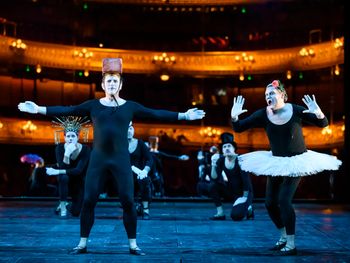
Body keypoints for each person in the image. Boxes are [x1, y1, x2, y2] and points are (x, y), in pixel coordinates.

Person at [18, 57, 205, 256]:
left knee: (128, 201)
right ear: (102, 84)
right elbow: (68, 110)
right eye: (108, 81)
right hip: (98, 161)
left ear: (121, 84)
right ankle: (82, 244)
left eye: (115, 81)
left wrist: (184, 115)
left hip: (120, 161)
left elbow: (155, 113)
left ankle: (133, 245)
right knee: (89, 201)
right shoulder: (93, 105)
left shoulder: (130, 106)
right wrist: (38, 109)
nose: (112, 83)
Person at [231, 79, 342, 255]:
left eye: (272, 93)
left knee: (283, 201)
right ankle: (283, 236)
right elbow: (238, 128)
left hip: (296, 161)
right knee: (269, 203)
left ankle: (291, 243)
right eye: (266, 95)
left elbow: (323, 124)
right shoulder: (263, 114)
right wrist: (235, 116)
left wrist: (319, 113)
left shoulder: (296, 110)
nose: (268, 97)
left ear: (282, 94)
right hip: (275, 162)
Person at [46, 116, 91, 217]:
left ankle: (67, 205)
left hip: (79, 180)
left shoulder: (86, 149)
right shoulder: (60, 148)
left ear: (78, 137)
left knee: (76, 212)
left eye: (73, 136)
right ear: (64, 137)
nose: (70, 139)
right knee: (64, 177)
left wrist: (56, 171)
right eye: (68, 136)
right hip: (65, 179)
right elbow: (63, 167)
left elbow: (78, 170)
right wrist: (67, 154)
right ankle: (62, 204)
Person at [209, 132, 254, 221]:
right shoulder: (221, 160)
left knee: (236, 216)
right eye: (224, 147)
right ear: (222, 150)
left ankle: (249, 208)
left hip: (244, 193)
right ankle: (220, 213)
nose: (227, 149)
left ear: (234, 148)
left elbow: (246, 181)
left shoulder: (240, 159)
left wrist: (244, 199)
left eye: (229, 146)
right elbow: (214, 178)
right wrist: (213, 164)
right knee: (212, 186)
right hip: (231, 191)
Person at [127, 121, 153, 220]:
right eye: (126, 128)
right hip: (124, 174)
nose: (128, 131)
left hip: (138, 174)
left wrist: (145, 171)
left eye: (130, 129)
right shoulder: (119, 144)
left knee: (144, 180)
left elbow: (149, 159)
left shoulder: (140, 143)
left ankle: (146, 209)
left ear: (133, 130)